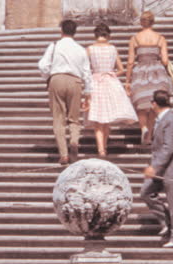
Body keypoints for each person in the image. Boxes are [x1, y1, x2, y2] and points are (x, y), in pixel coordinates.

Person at [38, 20, 93, 165]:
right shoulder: (80, 49)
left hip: (57, 79)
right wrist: (88, 92)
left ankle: (63, 154)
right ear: (75, 32)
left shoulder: (54, 46)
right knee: (74, 118)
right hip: (75, 81)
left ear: (61, 30)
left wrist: (49, 76)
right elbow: (87, 72)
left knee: (58, 118)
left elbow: (43, 65)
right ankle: (74, 141)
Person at [141, 90, 173, 248]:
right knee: (146, 193)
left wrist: (154, 167)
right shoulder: (161, 119)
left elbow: (169, 147)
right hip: (160, 170)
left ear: (154, 103)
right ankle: (167, 222)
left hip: (172, 170)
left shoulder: (170, 120)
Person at [86, 23, 138, 157]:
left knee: (98, 119)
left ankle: (101, 149)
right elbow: (121, 69)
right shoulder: (112, 48)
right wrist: (111, 73)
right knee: (107, 118)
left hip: (96, 82)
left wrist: (94, 75)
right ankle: (104, 146)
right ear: (108, 35)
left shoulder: (90, 49)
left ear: (95, 35)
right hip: (110, 82)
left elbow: (85, 70)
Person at [125, 11, 172, 145]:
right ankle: (150, 135)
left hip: (140, 72)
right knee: (153, 105)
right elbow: (165, 60)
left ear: (141, 22)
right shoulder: (160, 38)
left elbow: (130, 62)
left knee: (140, 105)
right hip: (157, 73)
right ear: (153, 22)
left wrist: (127, 81)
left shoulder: (135, 39)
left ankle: (144, 128)